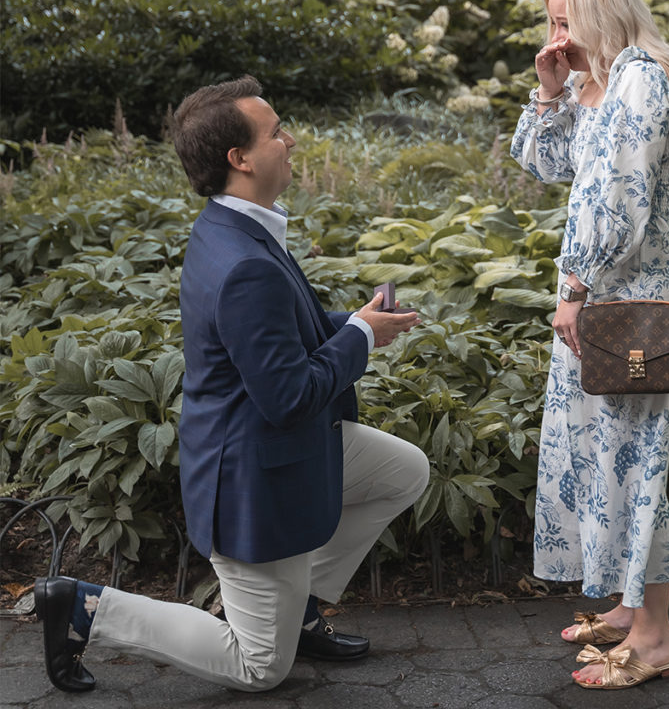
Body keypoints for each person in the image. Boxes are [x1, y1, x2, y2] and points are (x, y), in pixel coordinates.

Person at [34, 76, 430, 693]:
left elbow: (268, 340)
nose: (290, 140)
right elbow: (290, 395)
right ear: (239, 159)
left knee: (404, 471)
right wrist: (356, 338)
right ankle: (83, 606)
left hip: (279, 446)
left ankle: (296, 604)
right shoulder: (246, 260)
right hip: (253, 478)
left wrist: (356, 324)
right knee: (259, 669)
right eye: (276, 133)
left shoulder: (235, 226)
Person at [510, 0, 669, 690]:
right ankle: (627, 607)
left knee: (634, 466)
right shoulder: (605, 82)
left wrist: (576, 285)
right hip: (606, 303)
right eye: (551, 22)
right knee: (604, 461)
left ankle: (656, 639)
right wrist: (551, 90)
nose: (556, 35)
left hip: (629, 310)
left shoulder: (642, 79)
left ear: (601, 14)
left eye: (566, 22)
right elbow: (546, 165)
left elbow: (620, 201)